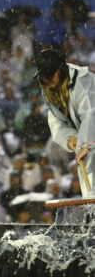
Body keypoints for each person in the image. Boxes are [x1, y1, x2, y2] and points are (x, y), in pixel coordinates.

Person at [35, 49, 95, 197]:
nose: (47, 80)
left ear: (60, 70)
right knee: (90, 187)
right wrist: (69, 138)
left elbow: (90, 113)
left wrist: (86, 145)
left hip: (91, 136)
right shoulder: (48, 91)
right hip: (88, 140)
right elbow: (56, 122)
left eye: (50, 75)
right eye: (43, 76)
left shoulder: (83, 81)